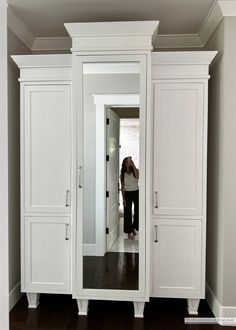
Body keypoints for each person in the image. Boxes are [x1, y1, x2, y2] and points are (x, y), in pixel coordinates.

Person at [120, 157, 139, 239]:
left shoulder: (135, 170)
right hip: (127, 193)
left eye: (130, 162)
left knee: (137, 211)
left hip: (137, 192)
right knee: (127, 212)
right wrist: (123, 199)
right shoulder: (122, 173)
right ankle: (129, 232)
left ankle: (134, 228)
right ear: (124, 163)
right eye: (127, 162)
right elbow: (123, 186)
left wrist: (133, 165)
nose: (128, 163)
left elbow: (137, 176)